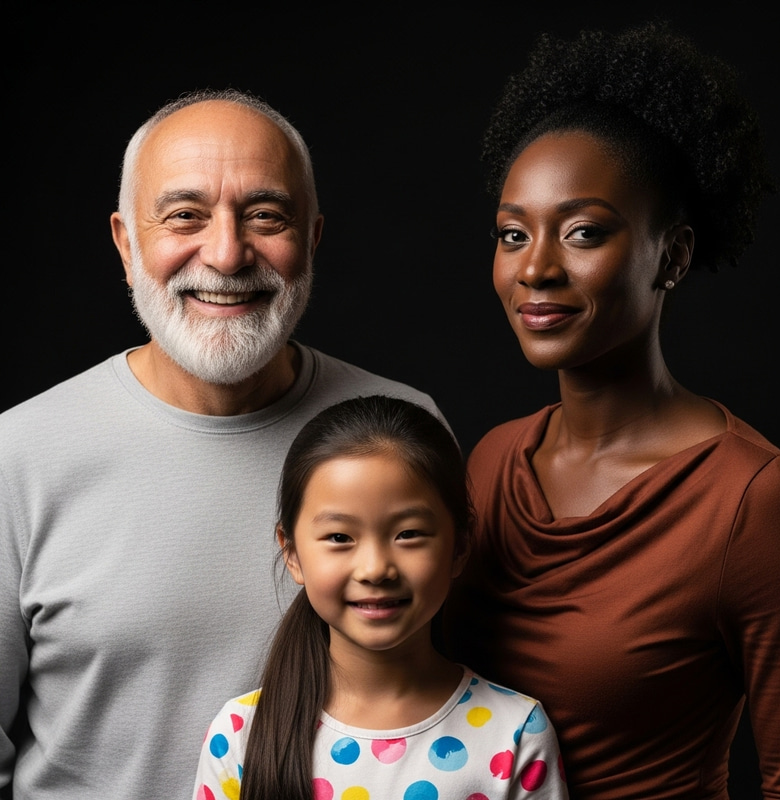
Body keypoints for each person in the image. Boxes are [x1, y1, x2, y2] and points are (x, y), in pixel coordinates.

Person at [0, 89, 448, 800]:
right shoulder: (16, 458)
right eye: (184, 216)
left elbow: (449, 698)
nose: (228, 253)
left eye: (266, 216)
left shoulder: (400, 430)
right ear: (125, 242)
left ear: (313, 238)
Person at [442, 20, 780, 800]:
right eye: (512, 233)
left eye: (582, 233)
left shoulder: (754, 498)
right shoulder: (493, 460)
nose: (535, 268)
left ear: (671, 254)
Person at [192, 394, 568, 800]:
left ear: (459, 547)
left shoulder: (515, 734)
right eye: (339, 538)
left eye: (407, 534)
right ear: (292, 553)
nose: (374, 569)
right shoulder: (239, 735)